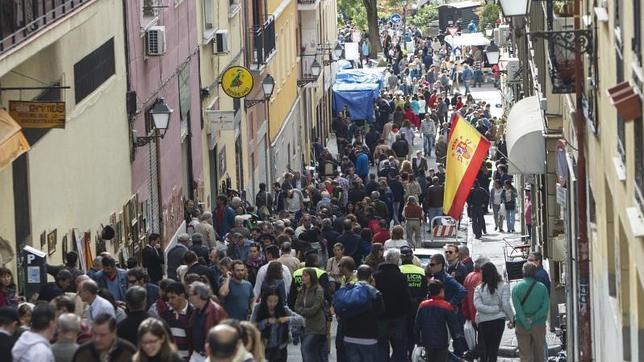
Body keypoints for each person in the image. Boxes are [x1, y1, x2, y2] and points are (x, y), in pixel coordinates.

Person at [374, 249, 413, 361]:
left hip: (381, 317)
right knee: (400, 347)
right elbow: (406, 297)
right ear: (397, 261)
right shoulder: (400, 277)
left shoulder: (376, 276)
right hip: (398, 317)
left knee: (381, 346)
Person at [474, 262, 515, 362]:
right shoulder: (504, 286)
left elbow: (478, 306)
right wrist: (512, 318)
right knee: (493, 349)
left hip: (483, 321)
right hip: (498, 321)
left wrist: (490, 310)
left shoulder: (479, 288)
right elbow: (505, 304)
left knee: (484, 350)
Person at [251, 288, 304, 362]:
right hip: (263, 348)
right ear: (265, 300)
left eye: (275, 301)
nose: (272, 304)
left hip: (280, 348)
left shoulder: (284, 309)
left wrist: (287, 319)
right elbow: (252, 326)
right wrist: (266, 322)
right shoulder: (258, 308)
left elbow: (301, 320)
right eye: (269, 301)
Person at [414, 280, 462, 362]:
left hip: (427, 341)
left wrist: (418, 341)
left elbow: (417, 325)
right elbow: (453, 325)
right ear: (441, 290)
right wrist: (457, 340)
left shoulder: (422, 305)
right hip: (441, 342)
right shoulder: (446, 306)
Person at [512, 262, 550, 362]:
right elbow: (545, 308)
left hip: (522, 325)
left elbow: (517, 309)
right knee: (539, 354)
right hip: (538, 325)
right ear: (535, 273)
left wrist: (525, 322)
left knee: (525, 355)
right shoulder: (542, 288)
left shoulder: (516, 288)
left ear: (523, 272)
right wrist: (533, 319)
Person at [189, 282, 228, 362]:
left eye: (191, 294)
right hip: (196, 354)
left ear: (198, 295)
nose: (189, 297)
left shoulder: (216, 311)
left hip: (210, 357)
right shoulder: (195, 310)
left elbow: (225, 336)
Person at [294, 268, 328, 362]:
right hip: (304, 325)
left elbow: (315, 309)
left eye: (305, 275)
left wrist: (302, 311)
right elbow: (296, 306)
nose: (303, 278)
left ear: (312, 277)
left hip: (316, 326)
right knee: (309, 351)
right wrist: (303, 310)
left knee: (305, 348)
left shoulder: (319, 290)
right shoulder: (301, 290)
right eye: (302, 276)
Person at [161, 282, 193, 360]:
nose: (170, 301)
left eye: (173, 297)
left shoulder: (193, 314)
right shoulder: (166, 315)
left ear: (182, 296)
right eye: (168, 298)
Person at [462, 256, 489, 323]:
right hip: (482, 316)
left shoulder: (469, 276)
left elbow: (464, 298)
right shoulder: (482, 277)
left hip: (472, 315)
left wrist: (467, 315)